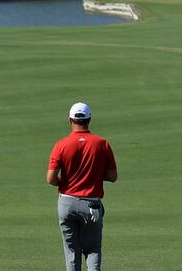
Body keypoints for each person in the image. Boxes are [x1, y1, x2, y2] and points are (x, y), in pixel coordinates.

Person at [48, 102, 118, 271]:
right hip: (91, 204)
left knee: (72, 251)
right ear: (90, 119)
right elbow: (112, 176)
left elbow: (50, 178)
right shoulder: (102, 144)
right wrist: (93, 175)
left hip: (66, 203)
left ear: (70, 120)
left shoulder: (61, 145)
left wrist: (65, 181)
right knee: (93, 249)